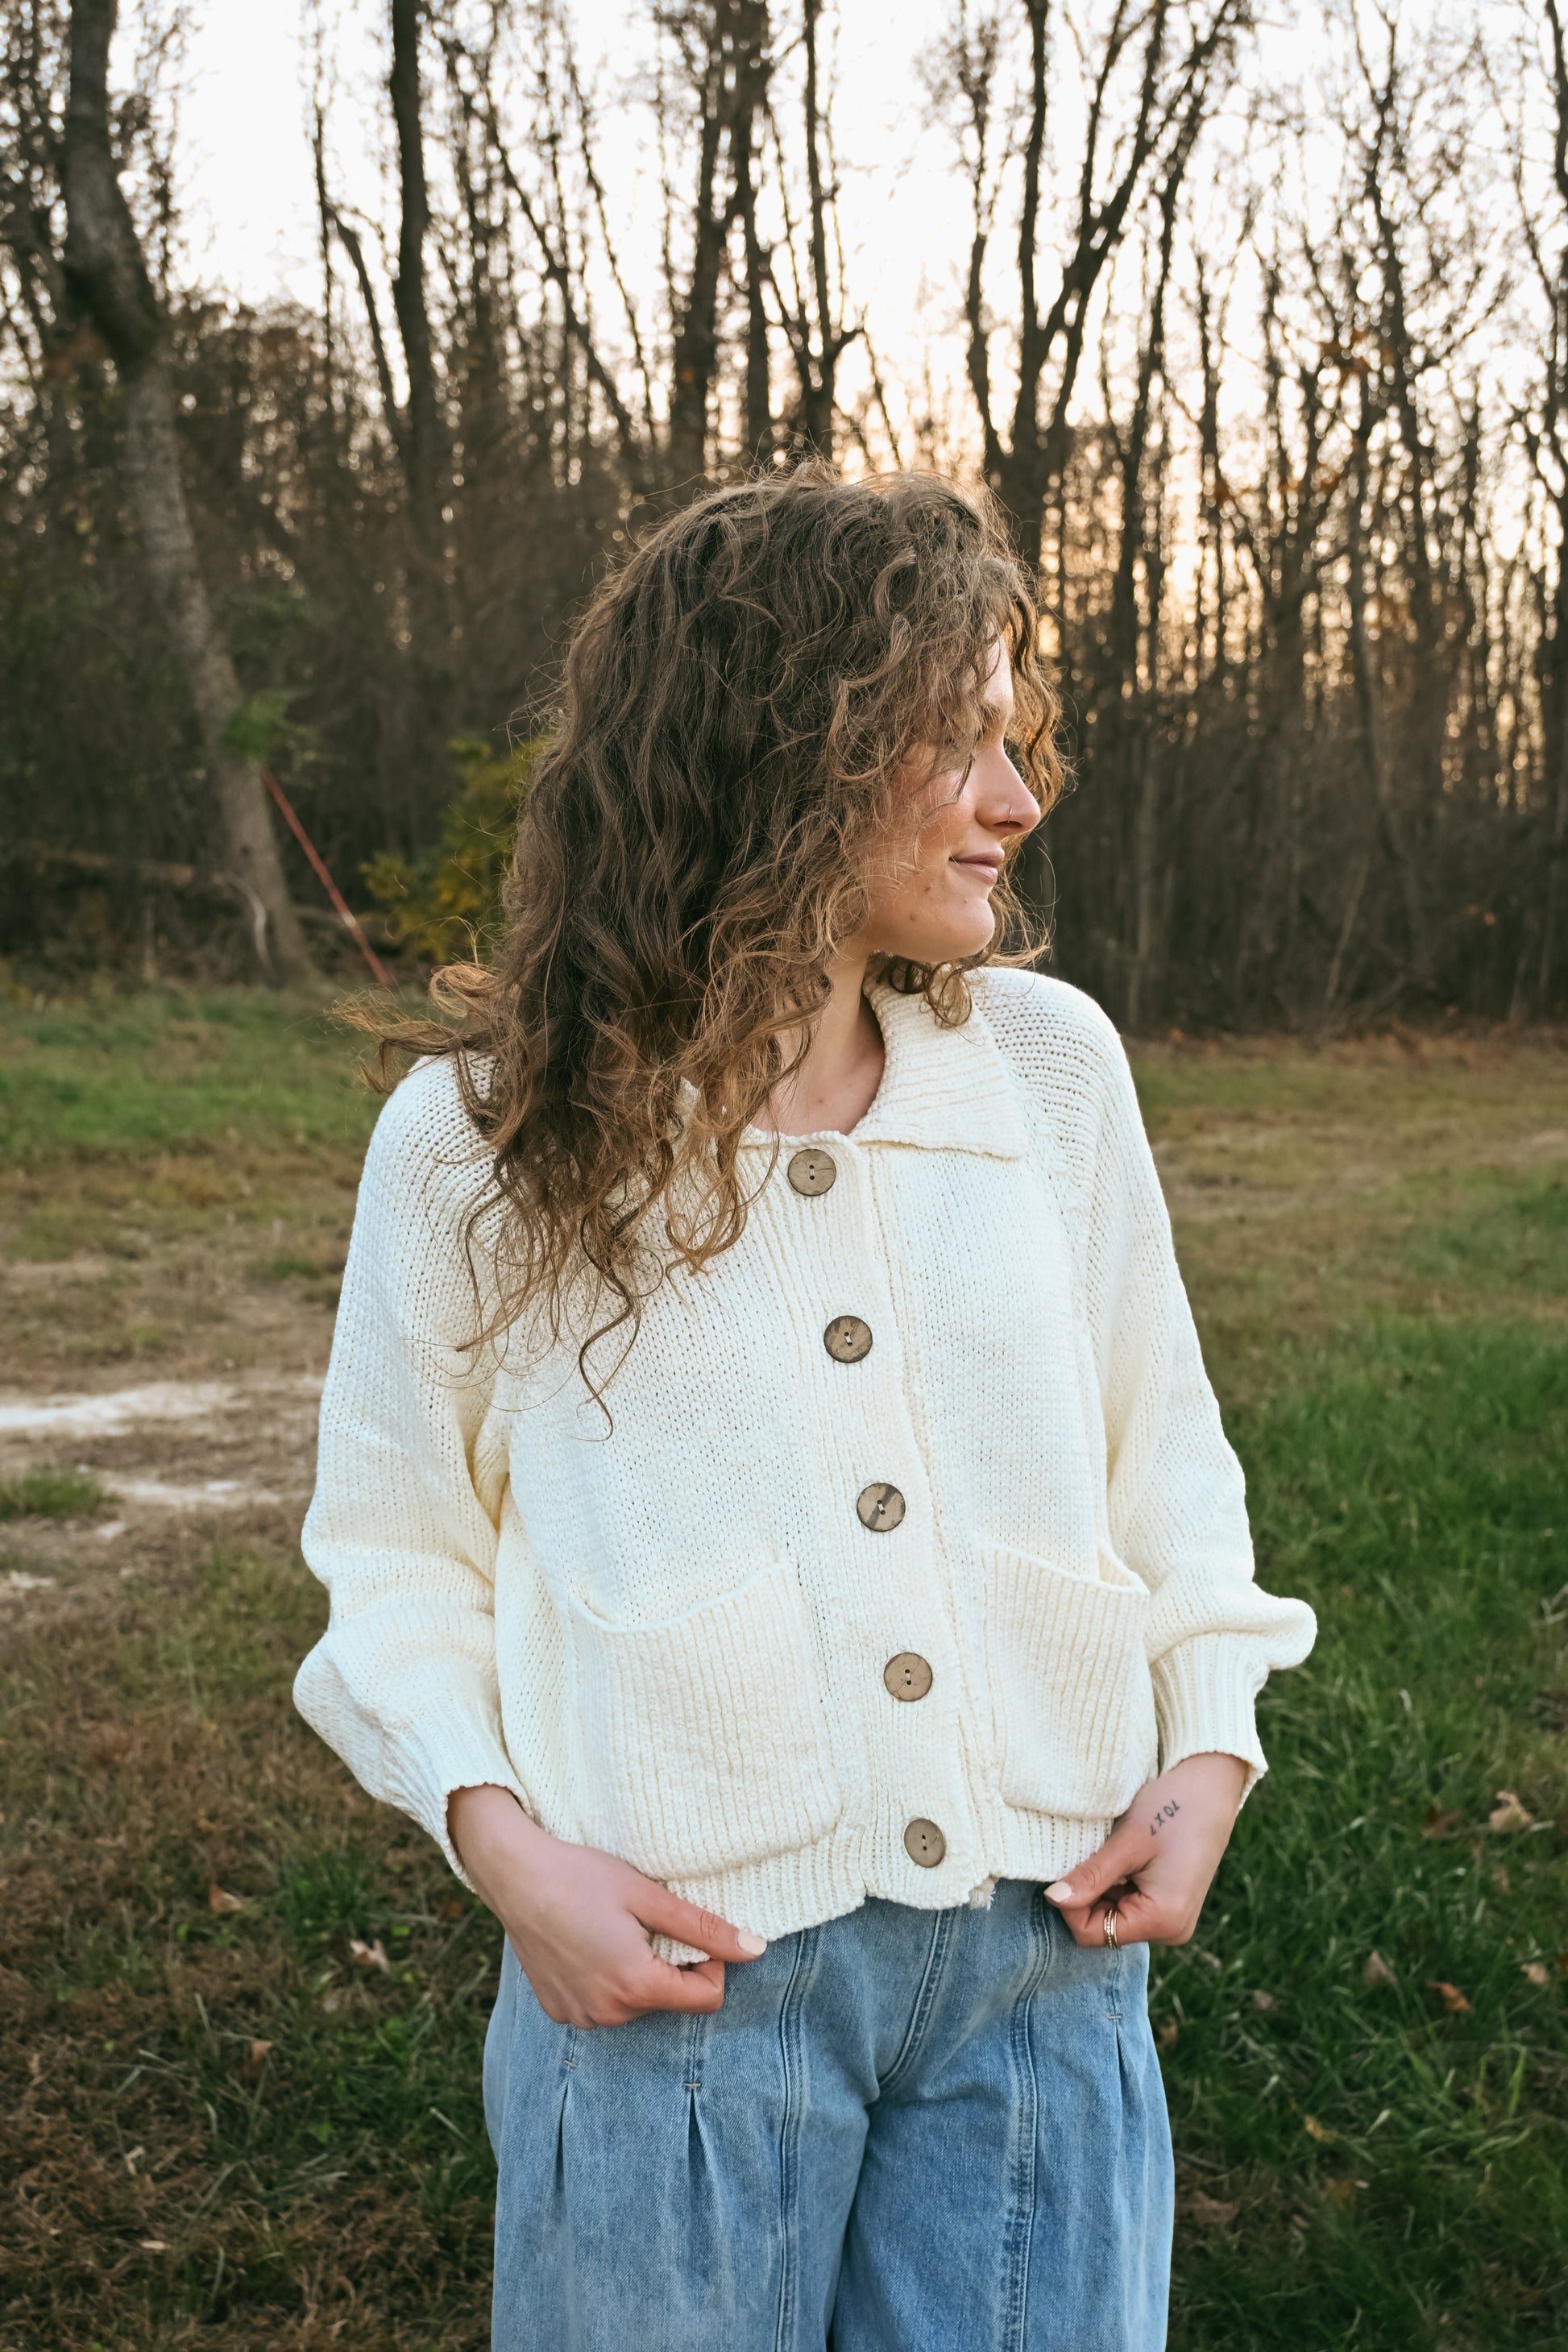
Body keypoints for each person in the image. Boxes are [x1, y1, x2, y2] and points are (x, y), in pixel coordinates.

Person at [294, 469, 1316, 2352]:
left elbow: (1162, 1454)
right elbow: (395, 1559)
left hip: (1040, 1969)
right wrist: (514, 1865)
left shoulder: (1048, 1071)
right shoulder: (484, 1139)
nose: (1016, 799)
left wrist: (1212, 1743)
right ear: (783, 755)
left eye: (1013, 740)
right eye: (957, 742)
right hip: (673, 1988)